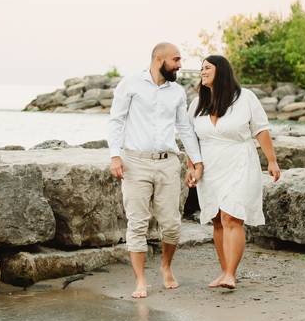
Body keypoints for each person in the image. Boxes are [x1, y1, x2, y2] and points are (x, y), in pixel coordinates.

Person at [108, 43, 204, 298]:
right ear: (158, 59)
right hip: (134, 161)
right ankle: (140, 280)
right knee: (137, 224)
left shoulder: (177, 92)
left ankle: (166, 267)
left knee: (172, 224)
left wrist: (196, 161)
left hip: (167, 162)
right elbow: (116, 120)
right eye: (176, 60)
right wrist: (115, 155)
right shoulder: (130, 84)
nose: (180, 65)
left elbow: (184, 128)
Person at [188, 55, 281, 289]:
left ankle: (231, 273)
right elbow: (189, 139)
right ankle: (223, 271)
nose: (202, 71)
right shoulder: (198, 102)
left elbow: (261, 130)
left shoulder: (245, 98)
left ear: (222, 71)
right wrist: (192, 167)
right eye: (201, 68)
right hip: (210, 167)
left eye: (207, 67)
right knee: (218, 220)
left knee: (232, 216)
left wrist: (272, 161)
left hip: (240, 161)